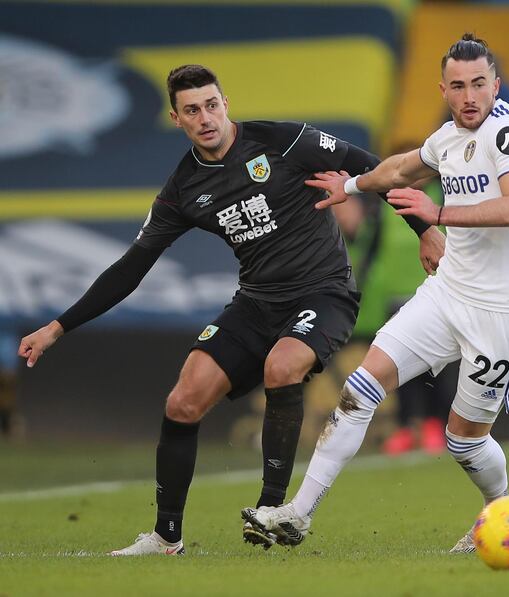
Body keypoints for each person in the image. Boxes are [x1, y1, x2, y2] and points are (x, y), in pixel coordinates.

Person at [17, 64, 445, 556]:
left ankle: (270, 510)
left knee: (281, 367)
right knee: (183, 401)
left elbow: (375, 166)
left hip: (323, 293)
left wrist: (423, 229)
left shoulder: (283, 142)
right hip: (256, 302)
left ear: (225, 104)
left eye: (212, 105)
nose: (206, 117)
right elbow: (130, 267)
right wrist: (57, 326)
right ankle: (165, 538)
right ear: (176, 119)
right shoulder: (182, 190)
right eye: (193, 110)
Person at [242, 33, 509, 554]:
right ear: (444, 90)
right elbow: (402, 168)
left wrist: (438, 215)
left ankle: (498, 510)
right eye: (458, 85)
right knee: (360, 389)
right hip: (448, 291)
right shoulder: (448, 138)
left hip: (504, 311)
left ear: (495, 84)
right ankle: (298, 513)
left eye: (479, 83)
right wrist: (354, 187)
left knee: (464, 440)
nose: (469, 95)